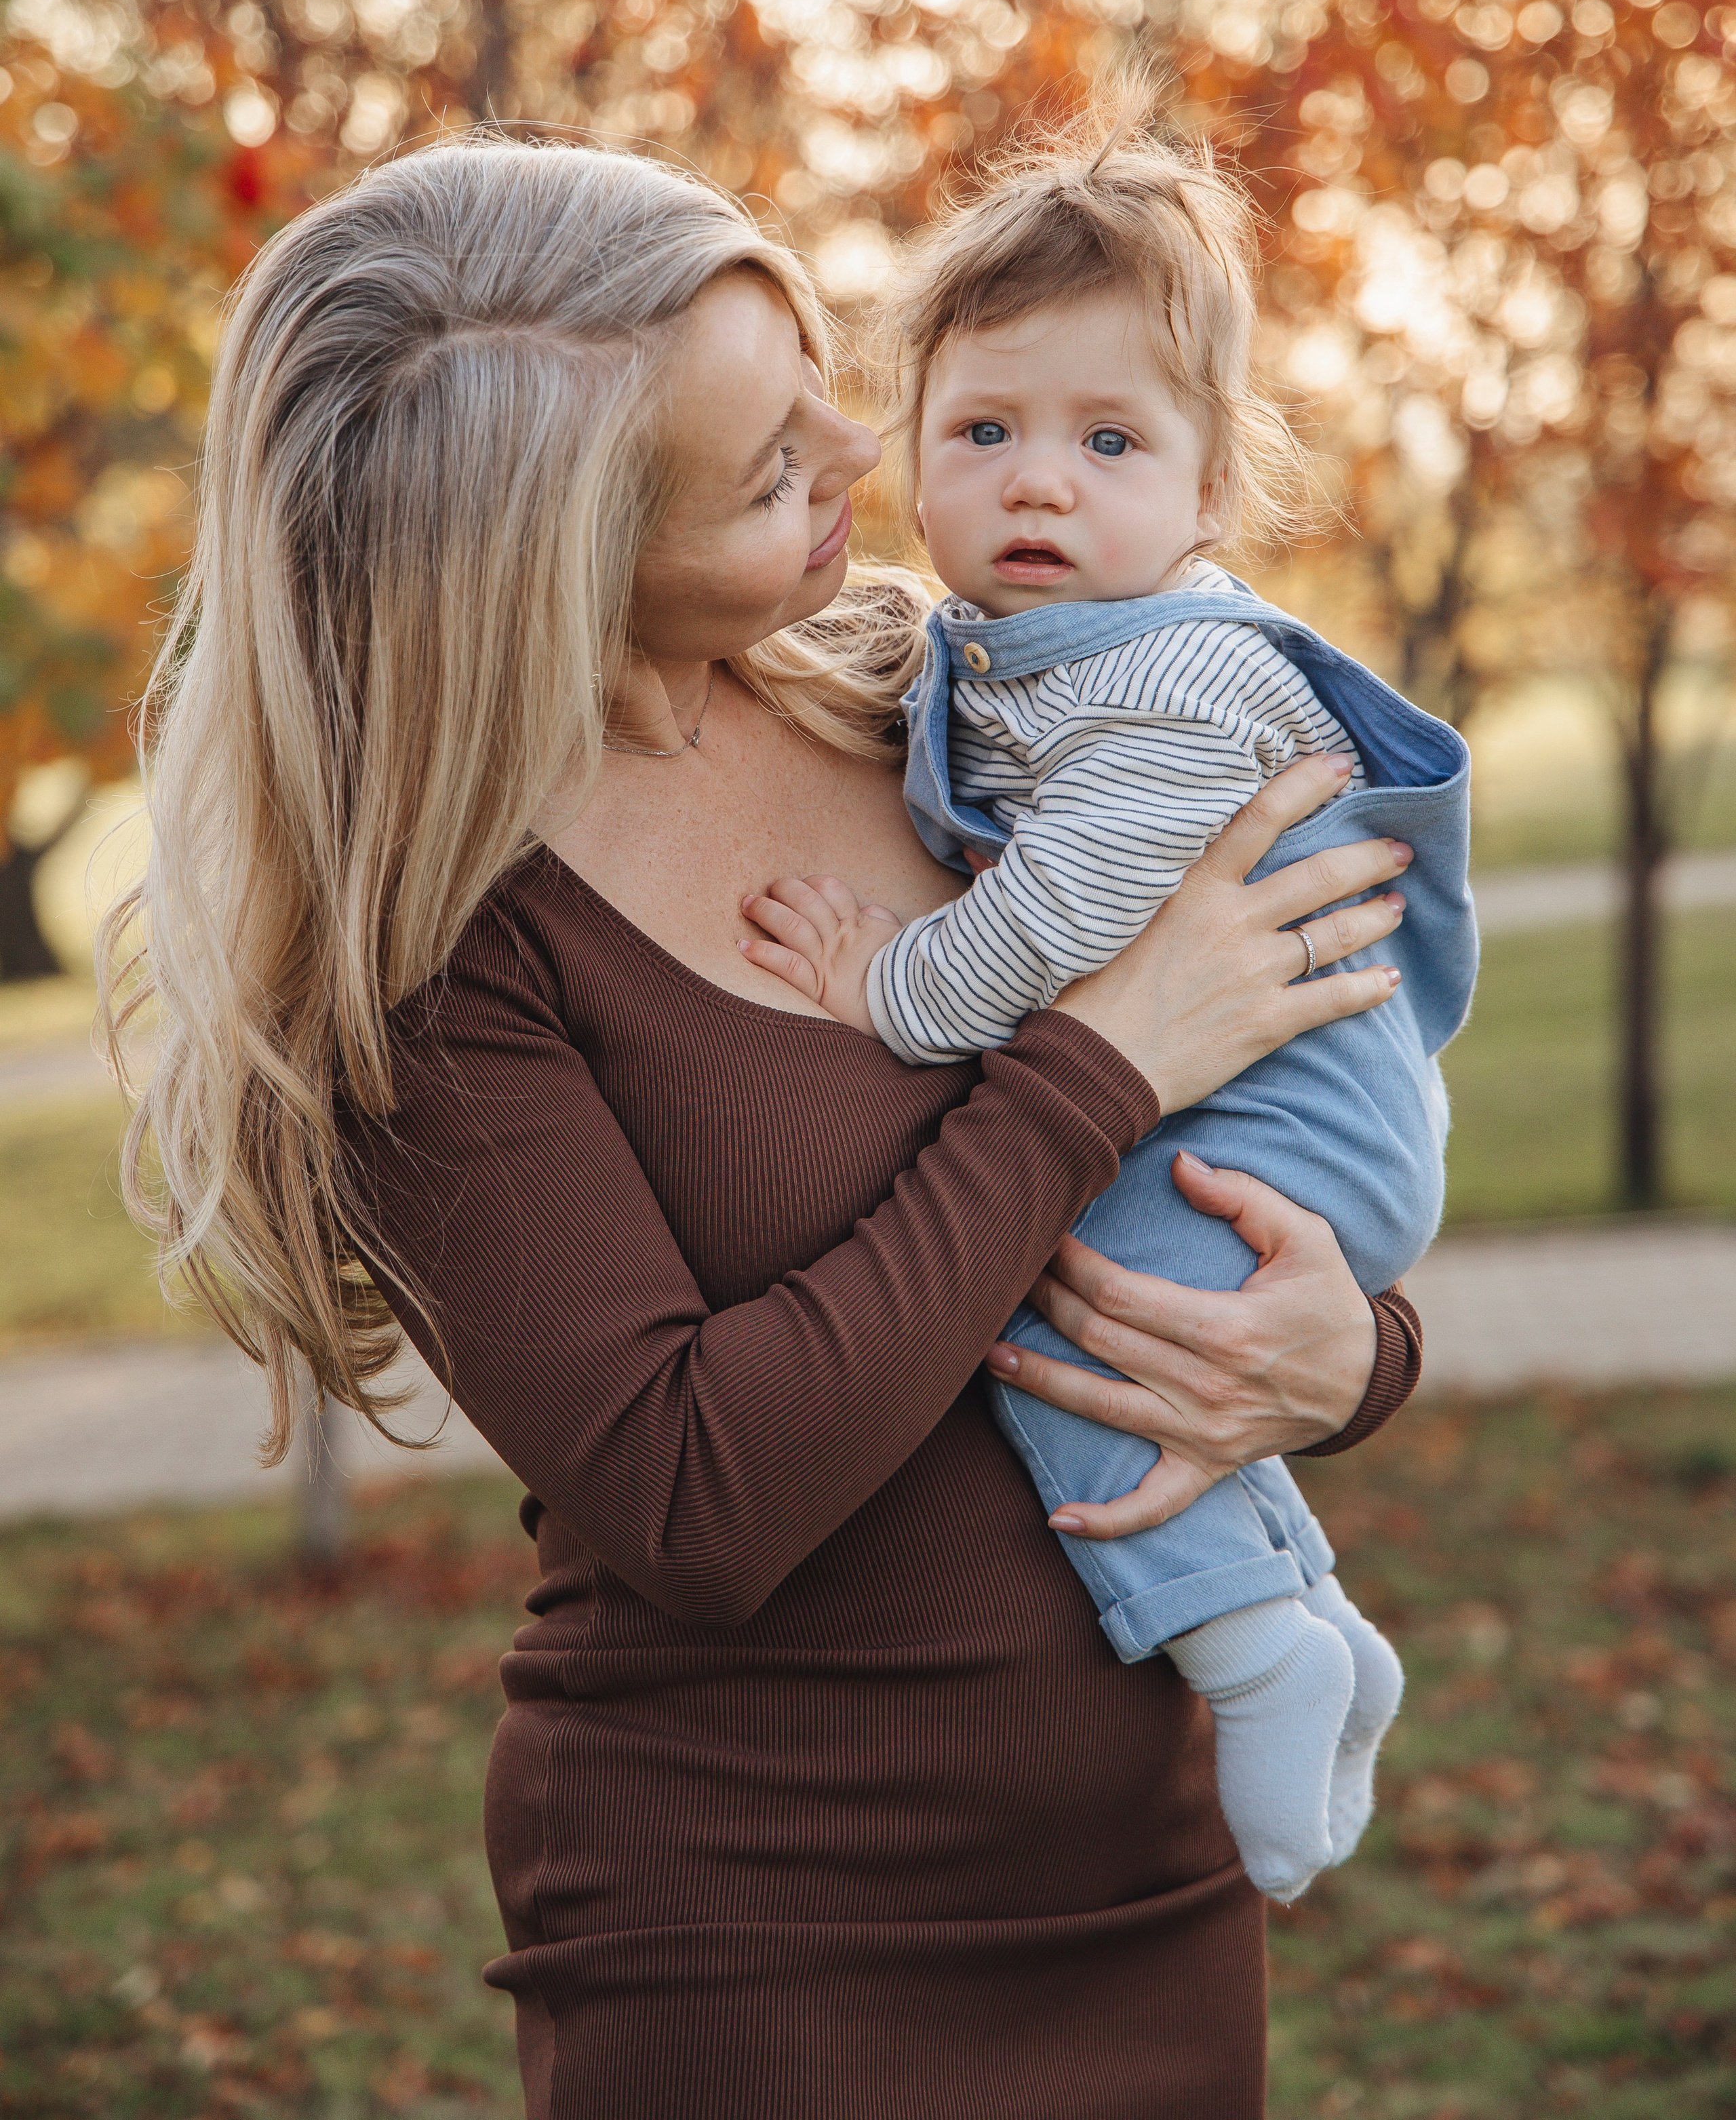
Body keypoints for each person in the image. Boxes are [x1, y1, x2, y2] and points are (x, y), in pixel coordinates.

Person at [102, 132, 1423, 2120]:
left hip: (1149, 1888)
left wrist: (1350, 1357)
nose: (860, 456)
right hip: (766, 1946)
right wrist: (1095, 1067)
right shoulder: (437, 963)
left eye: (818, 379)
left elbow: (1271, 1131)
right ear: (549, 560)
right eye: (771, 469)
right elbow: (696, 1498)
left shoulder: (942, 696)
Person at [739, 102, 1477, 1906]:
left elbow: (1069, 906)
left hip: (1284, 1122)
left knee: (1069, 1336)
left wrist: (886, 988)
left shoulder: (1172, 684)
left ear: (1211, 490)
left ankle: (1250, 1655)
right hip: (1257, 1100)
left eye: (1107, 441)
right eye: (983, 431)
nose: (1039, 483)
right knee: (1147, 1335)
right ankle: (1310, 1618)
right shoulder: (1020, 652)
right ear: (908, 444)